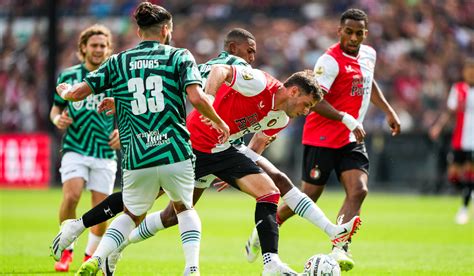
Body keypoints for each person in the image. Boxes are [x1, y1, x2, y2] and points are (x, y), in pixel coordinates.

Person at [50, 28, 360, 275]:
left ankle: (271, 263)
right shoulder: (255, 80)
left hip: (223, 149)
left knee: (269, 190)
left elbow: (257, 145)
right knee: (144, 206)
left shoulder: (280, 115)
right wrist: (208, 99)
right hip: (192, 145)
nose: (306, 112)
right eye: (306, 105)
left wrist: (239, 168)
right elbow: (197, 78)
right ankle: (83, 229)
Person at [55, 2, 229, 276]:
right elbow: (195, 97)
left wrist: (65, 92)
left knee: (129, 214)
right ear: (166, 29)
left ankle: (96, 259)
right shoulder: (179, 56)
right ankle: (192, 268)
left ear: (138, 32)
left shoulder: (117, 61)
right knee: (184, 208)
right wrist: (219, 121)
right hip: (174, 151)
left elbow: (78, 94)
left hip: (137, 156)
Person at [246, 8, 401, 272]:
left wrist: (387, 110)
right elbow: (315, 101)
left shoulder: (369, 54)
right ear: (339, 31)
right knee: (308, 197)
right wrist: (346, 118)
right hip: (322, 137)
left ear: (366, 33)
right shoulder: (329, 62)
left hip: (351, 138)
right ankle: (262, 231)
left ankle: (340, 247)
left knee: (359, 190)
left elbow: (368, 81)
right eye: (349, 32)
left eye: (359, 33)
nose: (354, 38)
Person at [49, 24, 120, 272]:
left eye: (103, 45)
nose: (99, 50)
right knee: (71, 196)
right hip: (75, 147)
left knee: (101, 210)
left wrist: (122, 131)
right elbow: (56, 108)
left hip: (104, 150)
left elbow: (130, 108)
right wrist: (57, 119)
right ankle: (66, 250)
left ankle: (89, 256)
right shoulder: (69, 76)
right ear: (83, 48)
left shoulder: (114, 76)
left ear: (108, 48)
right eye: (94, 45)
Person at [429, 59, 474, 225]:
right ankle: (469, 192)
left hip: (473, 141)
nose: (470, 73)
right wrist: (438, 127)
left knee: (470, 173)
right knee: (453, 176)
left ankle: (464, 208)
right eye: (468, 70)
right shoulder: (458, 89)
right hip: (459, 139)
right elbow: (449, 111)